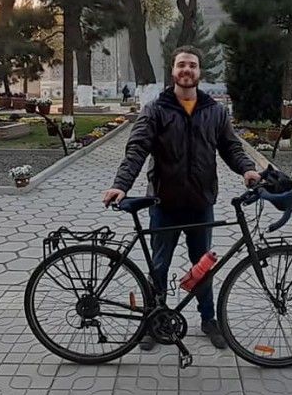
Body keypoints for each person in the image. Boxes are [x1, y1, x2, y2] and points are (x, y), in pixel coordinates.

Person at [103, 45, 261, 351]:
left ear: (199, 71)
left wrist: (248, 170)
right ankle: (154, 320)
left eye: (192, 65)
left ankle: (208, 319)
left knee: (203, 266)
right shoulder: (155, 109)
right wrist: (121, 185)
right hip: (164, 203)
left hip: (201, 203)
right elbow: (136, 150)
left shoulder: (215, 111)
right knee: (159, 265)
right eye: (181, 65)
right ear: (173, 71)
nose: (186, 70)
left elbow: (231, 148)